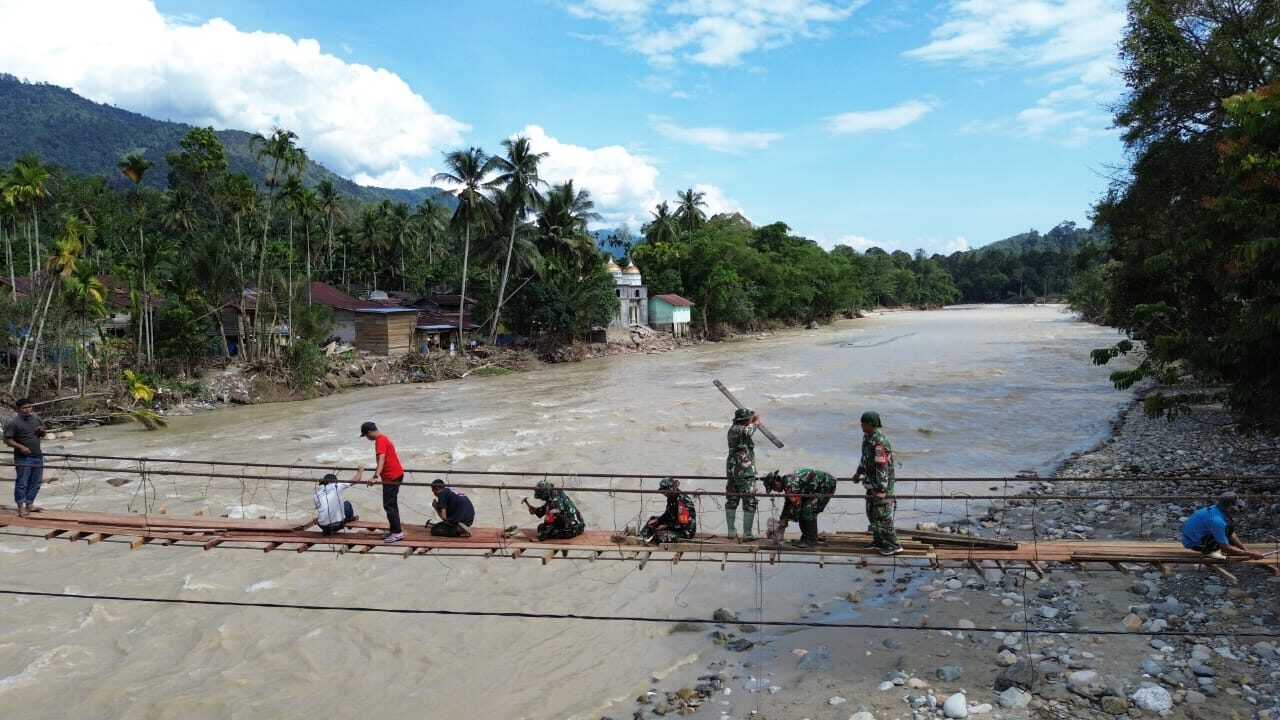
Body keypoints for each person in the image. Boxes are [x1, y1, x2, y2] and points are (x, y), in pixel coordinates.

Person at [852, 410, 903, 555]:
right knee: (871, 512)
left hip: (882, 483)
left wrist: (882, 489)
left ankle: (894, 544)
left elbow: (882, 466)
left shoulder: (879, 442)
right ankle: (879, 540)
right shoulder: (867, 438)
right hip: (871, 482)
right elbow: (865, 458)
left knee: (882, 514)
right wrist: (858, 472)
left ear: (870, 424)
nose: (861, 426)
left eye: (863, 423)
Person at [763, 468, 837, 548]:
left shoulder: (790, 485)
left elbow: (797, 506)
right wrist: (783, 518)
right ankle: (806, 538)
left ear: (777, 483)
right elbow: (788, 503)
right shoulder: (786, 483)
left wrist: (786, 521)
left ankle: (810, 540)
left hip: (826, 486)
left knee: (807, 510)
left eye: (774, 489)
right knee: (804, 510)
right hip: (814, 488)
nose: (775, 491)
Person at [1181, 491, 1264, 560]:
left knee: (1229, 528)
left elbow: (1231, 534)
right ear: (1229, 507)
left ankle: (1217, 547)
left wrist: (1246, 550)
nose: (1239, 510)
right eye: (1237, 507)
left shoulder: (1218, 509)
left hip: (1198, 535)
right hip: (1193, 542)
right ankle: (1209, 552)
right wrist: (1250, 553)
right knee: (1225, 543)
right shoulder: (1217, 521)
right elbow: (1226, 548)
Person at [360, 421, 405, 543]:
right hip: (395, 474)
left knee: (389, 505)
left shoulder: (380, 441)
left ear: (369, 433)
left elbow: (381, 459)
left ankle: (397, 533)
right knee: (391, 504)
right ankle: (394, 529)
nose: (367, 438)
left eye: (366, 436)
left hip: (392, 476)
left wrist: (375, 476)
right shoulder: (384, 438)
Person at [4, 398, 47, 517]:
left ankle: (29, 504)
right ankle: (20, 507)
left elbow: (43, 434)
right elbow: (7, 440)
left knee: (36, 482)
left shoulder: (36, 419)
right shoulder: (14, 422)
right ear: (18, 409)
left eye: (29, 407)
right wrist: (20, 447)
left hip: (37, 455)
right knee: (22, 482)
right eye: (24, 408)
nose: (27, 410)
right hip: (23, 457)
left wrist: (42, 431)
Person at [725, 407, 761, 540]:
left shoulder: (731, 430)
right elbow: (752, 428)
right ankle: (747, 533)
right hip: (744, 470)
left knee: (732, 499)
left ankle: (731, 531)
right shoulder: (743, 430)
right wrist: (757, 420)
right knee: (749, 500)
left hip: (732, 470)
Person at [641, 477, 697, 544]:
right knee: (652, 520)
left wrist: (666, 526)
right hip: (674, 525)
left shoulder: (682, 501)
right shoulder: (671, 498)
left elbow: (683, 524)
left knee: (662, 536)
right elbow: (667, 514)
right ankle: (642, 537)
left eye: (665, 492)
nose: (664, 494)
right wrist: (658, 520)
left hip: (685, 530)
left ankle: (650, 539)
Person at [315, 467, 363, 535]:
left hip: (322, 526)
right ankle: (350, 519)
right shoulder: (337, 485)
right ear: (335, 481)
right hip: (338, 525)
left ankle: (327, 529)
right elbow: (355, 480)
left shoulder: (317, 494)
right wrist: (360, 471)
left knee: (323, 513)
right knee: (347, 504)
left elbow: (319, 508)